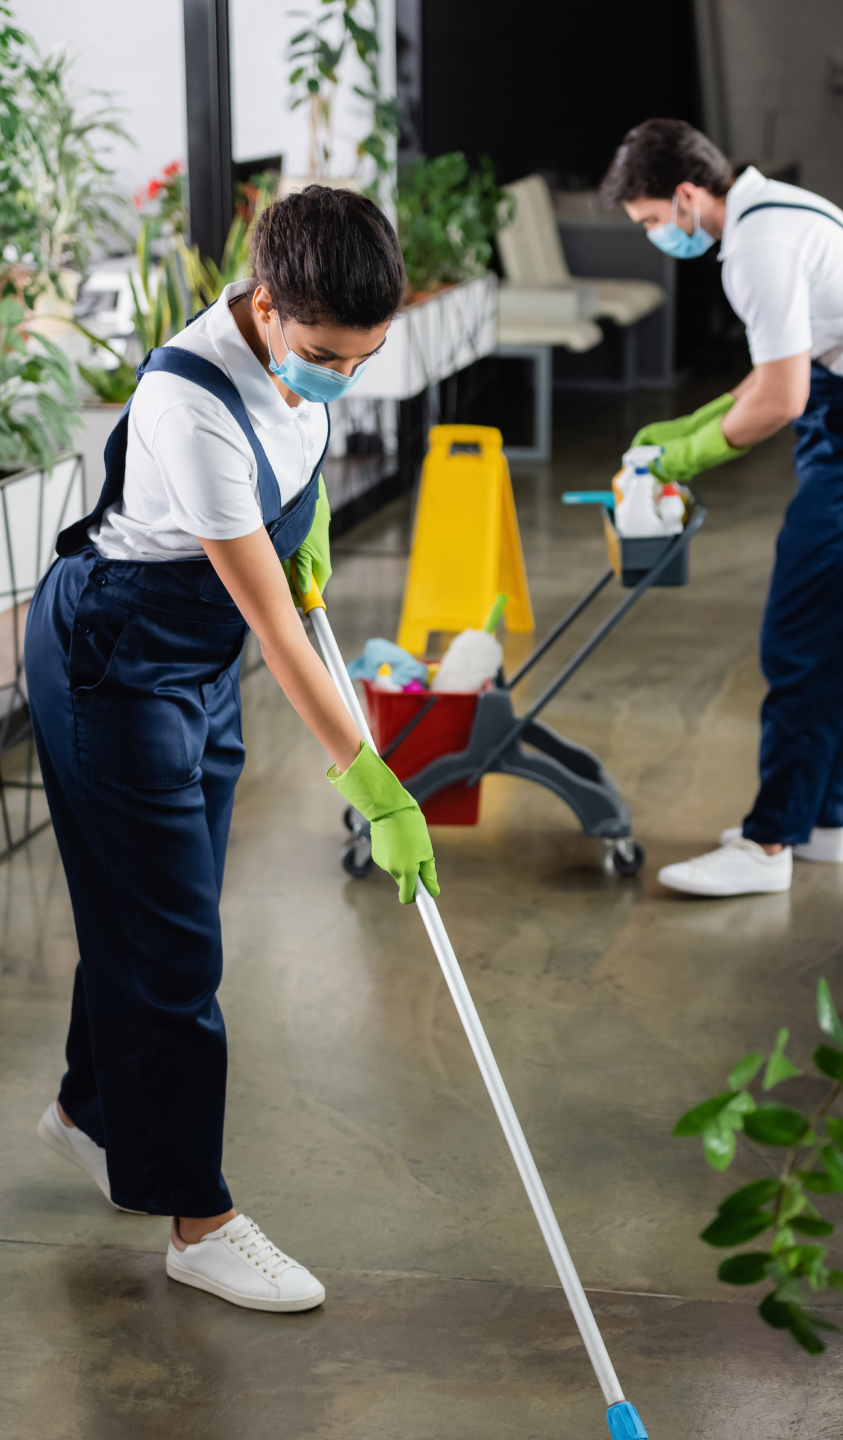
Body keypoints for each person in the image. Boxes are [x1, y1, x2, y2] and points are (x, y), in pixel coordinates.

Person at [26, 186, 438, 1312]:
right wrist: (372, 781)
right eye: (319, 356)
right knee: (173, 946)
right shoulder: (187, 403)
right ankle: (196, 1218)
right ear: (264, 309)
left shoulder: (312, 350)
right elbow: (270, 621)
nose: (339, 378)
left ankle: (90, 1111)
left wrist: (300, 543)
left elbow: (277, 519)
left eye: (363, 359)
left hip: (194, 652)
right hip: (117, 652)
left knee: (166, 906)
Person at [599, 120, 843, 897]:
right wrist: (687, 423)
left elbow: (784, 398)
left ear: (686, 196)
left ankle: (768, 843)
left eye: (651, 221)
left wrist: (687, 456)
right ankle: (822, 821)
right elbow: (779, 366)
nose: (655, 237)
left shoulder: (755, 248)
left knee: (803, 635)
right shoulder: (776, 209)